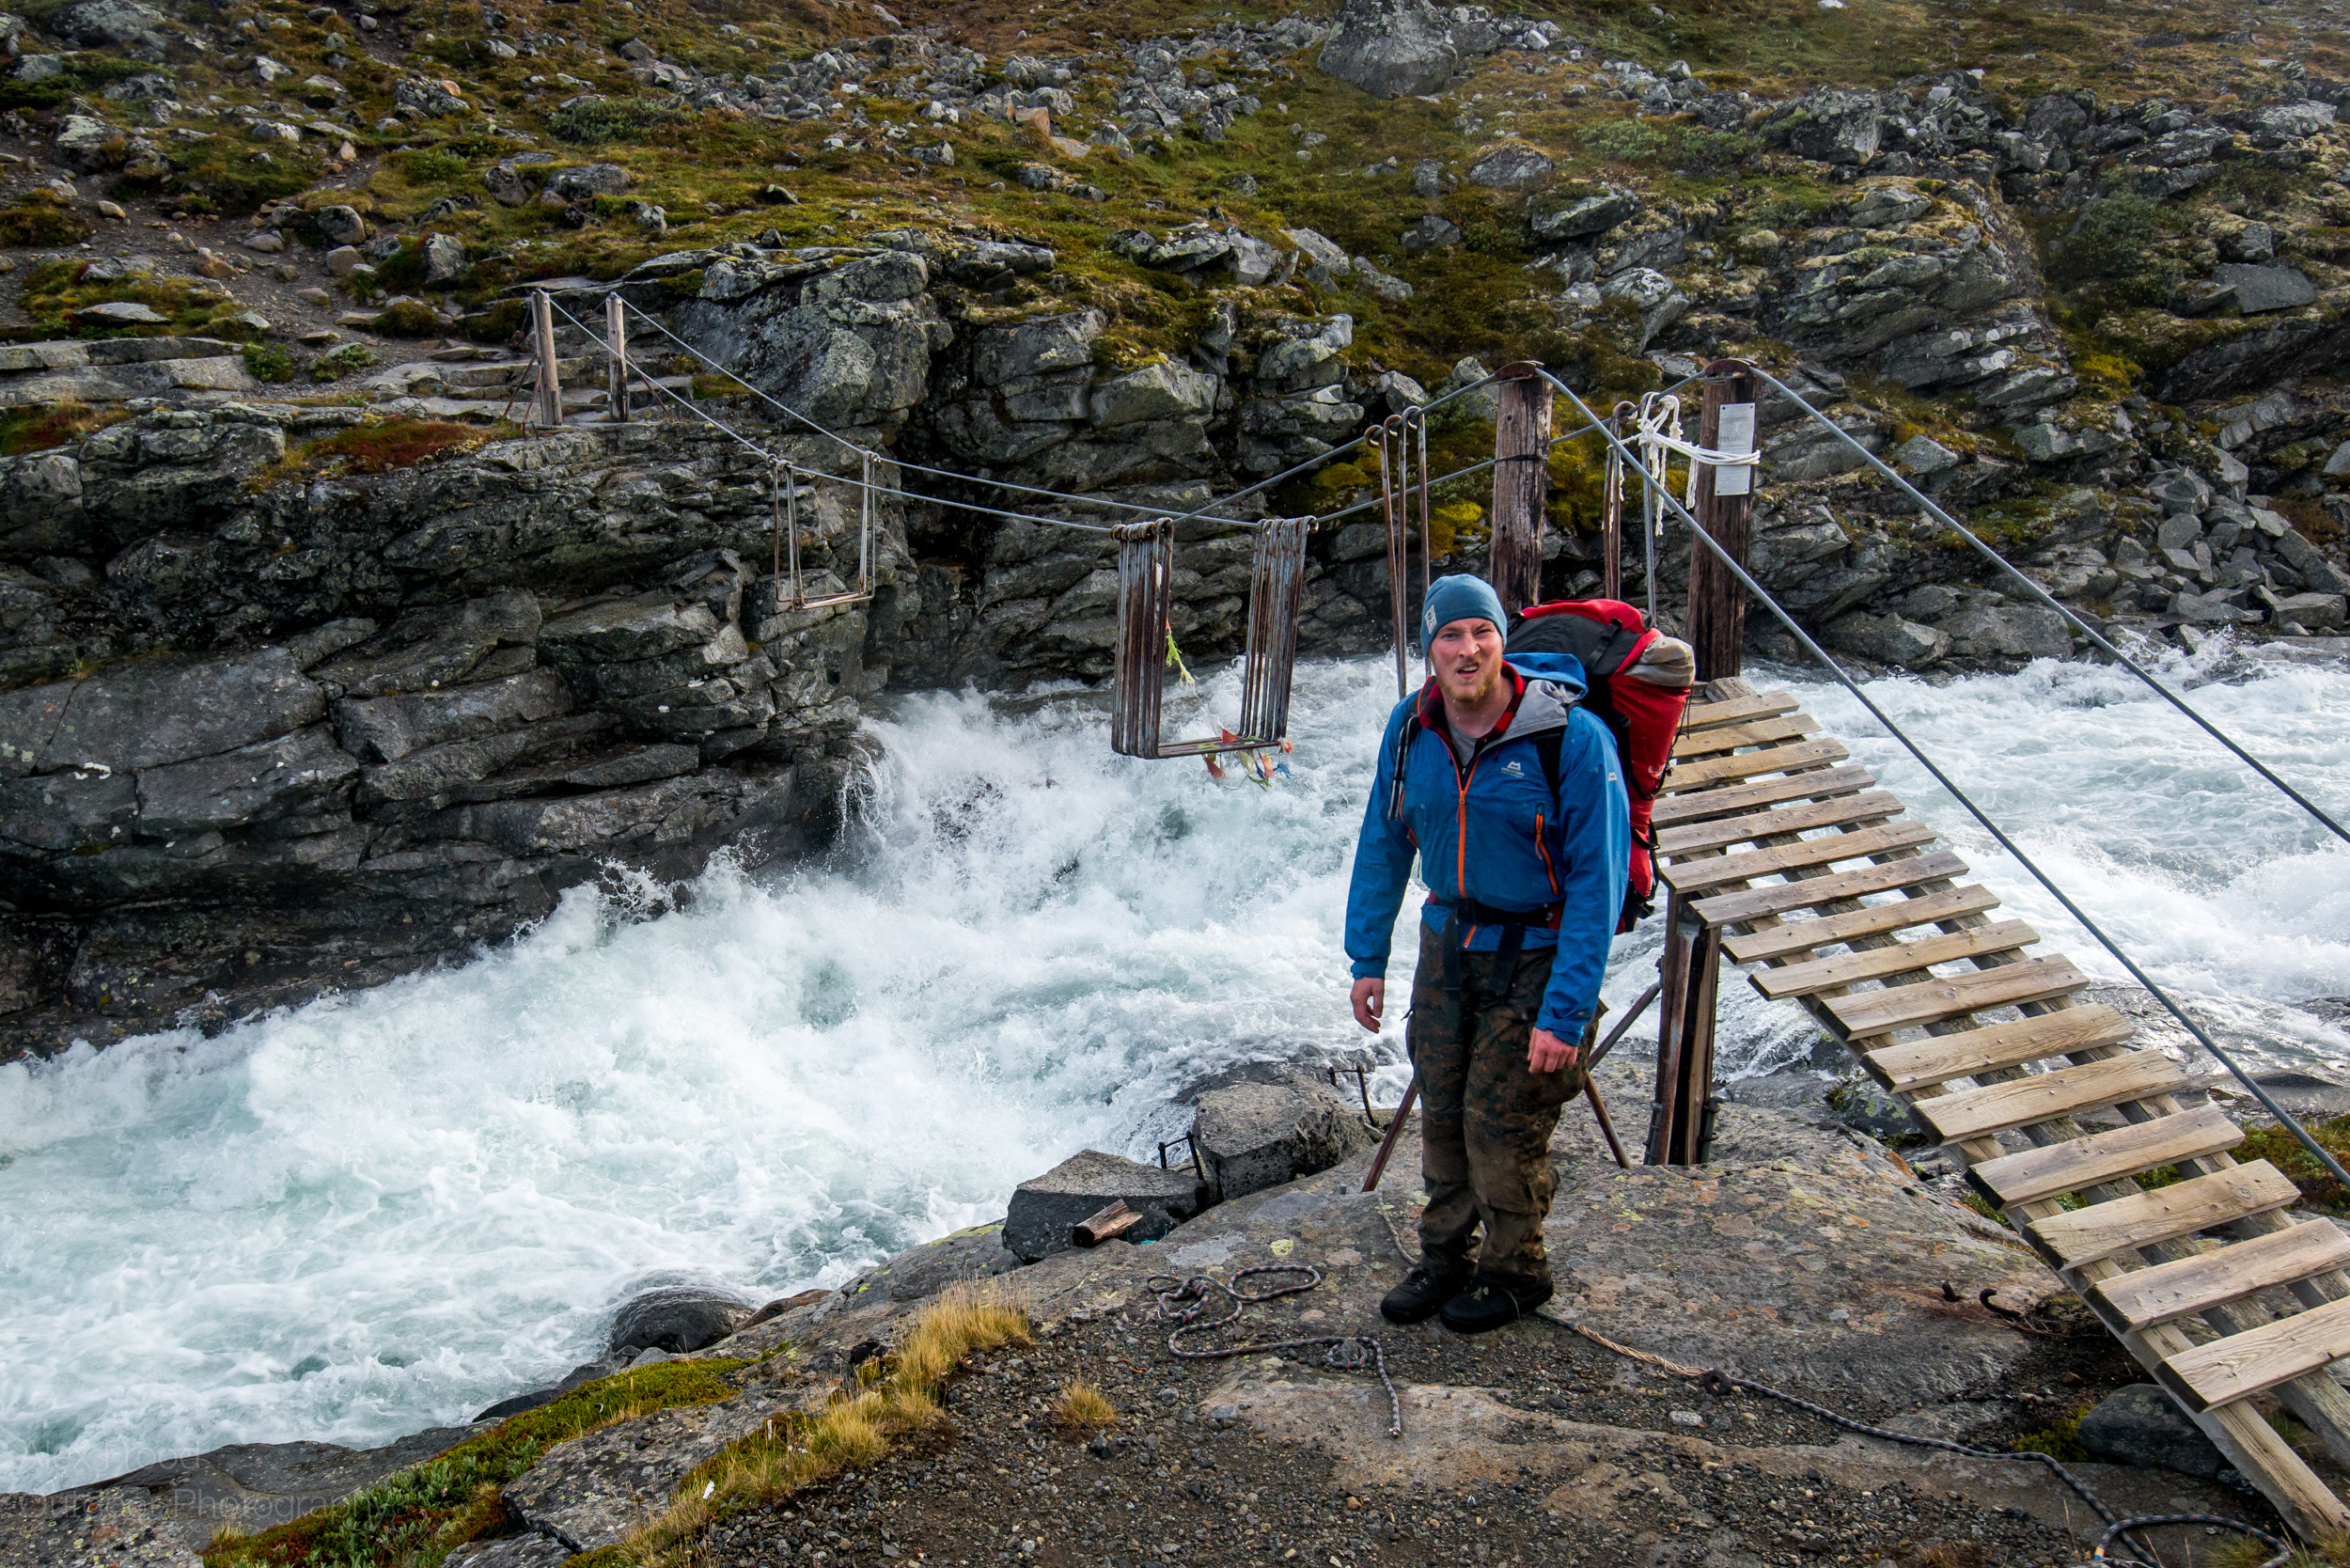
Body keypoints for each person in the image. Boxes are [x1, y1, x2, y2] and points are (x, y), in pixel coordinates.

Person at [1344, 573, 1630, 1333]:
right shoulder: (1412, 728)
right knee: (1442, 1109)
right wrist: (1365, 958)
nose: (1467, 649)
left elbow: (1597, 888)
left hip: (1538, 951)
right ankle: (1444, 1257)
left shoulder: (1571, 737)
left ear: (1504, 641)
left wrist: (1565, 1013)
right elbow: (1384, 842)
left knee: (1502, 1124)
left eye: (1482, 632)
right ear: (1430, 648)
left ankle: (1515, 1271)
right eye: (1450, 635)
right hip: (1447, 943)